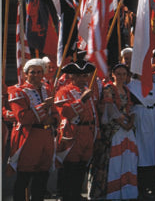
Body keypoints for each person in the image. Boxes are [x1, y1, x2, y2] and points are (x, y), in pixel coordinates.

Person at [8, 57, 58, 201]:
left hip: (46, 136)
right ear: (26, 74)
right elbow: (22, 117)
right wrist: (43, 107)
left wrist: (53, 119)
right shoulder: (17, 91)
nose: (36, 75)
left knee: (42, 176)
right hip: (29, 137)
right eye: (32, 72)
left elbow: (55, 112)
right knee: (24, 176)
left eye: (39, 72)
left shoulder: (48, 90)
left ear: (43, 74)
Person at [92, 63, 139, 200]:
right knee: (113, 160)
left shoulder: (127, 89)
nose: (121, 77)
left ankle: (126, 190)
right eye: (118, 74)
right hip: (114, 130)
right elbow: (110, 109)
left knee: (128, 158)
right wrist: (123, 124)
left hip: (127, 128)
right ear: (113, 74)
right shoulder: (108, 88)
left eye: (124, 74)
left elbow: (132, 107)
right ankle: (111, 192)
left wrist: (130, 122)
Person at [55, 61, 98, 201]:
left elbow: (94, 112)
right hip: (74, 132)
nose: (82, 79)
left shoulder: (88, 90)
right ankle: (67, 196)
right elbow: (66, 112)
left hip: (89, 131)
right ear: (71, 77)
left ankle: (76, 194)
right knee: (71, 166)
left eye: (84, 76)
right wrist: (82, 100)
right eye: (78, 76)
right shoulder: (64, 91)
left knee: (82, 166)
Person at [127, 68, 155, 197]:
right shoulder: (131, 86)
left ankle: (151, 183)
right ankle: (140, 185)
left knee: (151, 151)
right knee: (140, 152)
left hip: (152, 118)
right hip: (139, 119)